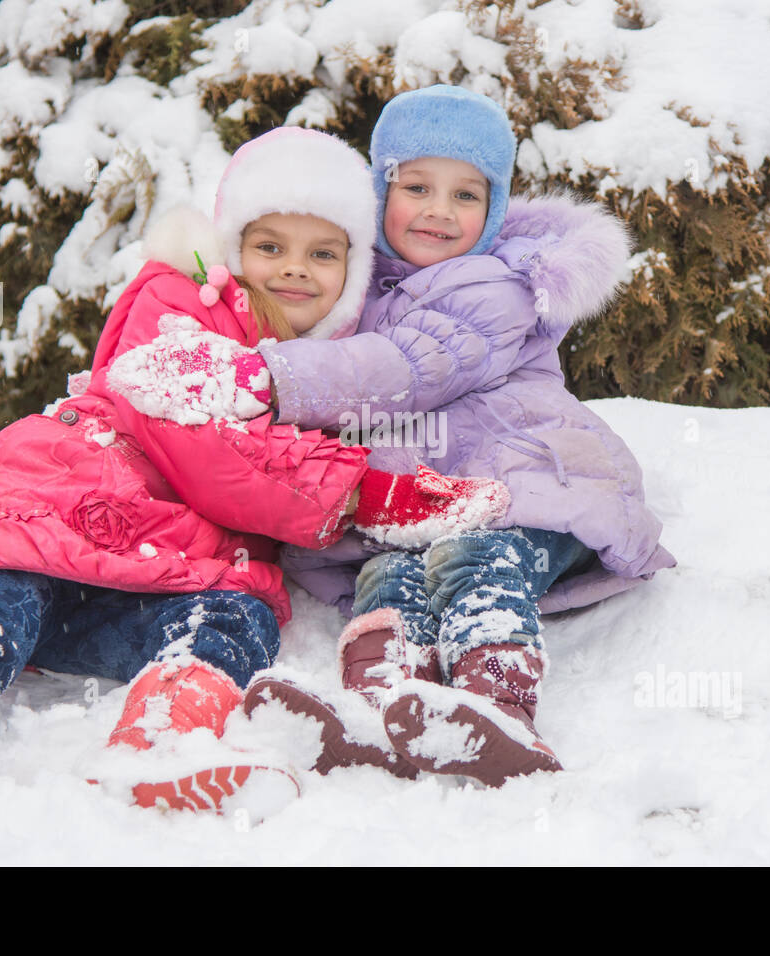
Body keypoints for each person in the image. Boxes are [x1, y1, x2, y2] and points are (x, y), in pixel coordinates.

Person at [0, 127, 509, 813]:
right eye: (271, 245)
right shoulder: (180, 303)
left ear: (351, 275)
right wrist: (369, 493)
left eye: (323, 254)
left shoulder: (312, 380)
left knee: (236, 617)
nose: (293, 268)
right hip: (55, 505)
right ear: (231, 247)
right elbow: (208, 449)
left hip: (139, 572)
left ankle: (163, 739)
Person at [162, 86, 677, 788]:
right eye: (417, 187)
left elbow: (400, 372)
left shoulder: (493, 286)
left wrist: (264, 377)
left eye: (466, 195)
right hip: (416, 504)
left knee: (475, 560)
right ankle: (380, 709)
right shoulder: (357, 286)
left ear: (493, 212)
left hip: (523, 482)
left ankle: (499, 706)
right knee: (388, 579)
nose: (439, 210)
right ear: (380, 192)